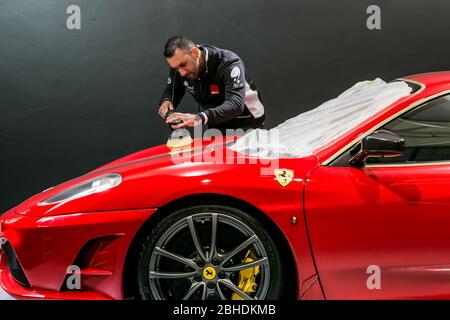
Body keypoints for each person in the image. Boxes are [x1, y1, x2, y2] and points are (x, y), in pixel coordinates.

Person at [158, 36, 265, 134]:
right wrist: (166, 101)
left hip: (248, 122)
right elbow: (171, 91)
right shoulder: (179, 67)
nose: (181, 73)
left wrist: (198, 118)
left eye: (183, 65)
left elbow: (235, 105)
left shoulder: (229, 62)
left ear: (195, 53)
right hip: (216, 124)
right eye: (176, 68)